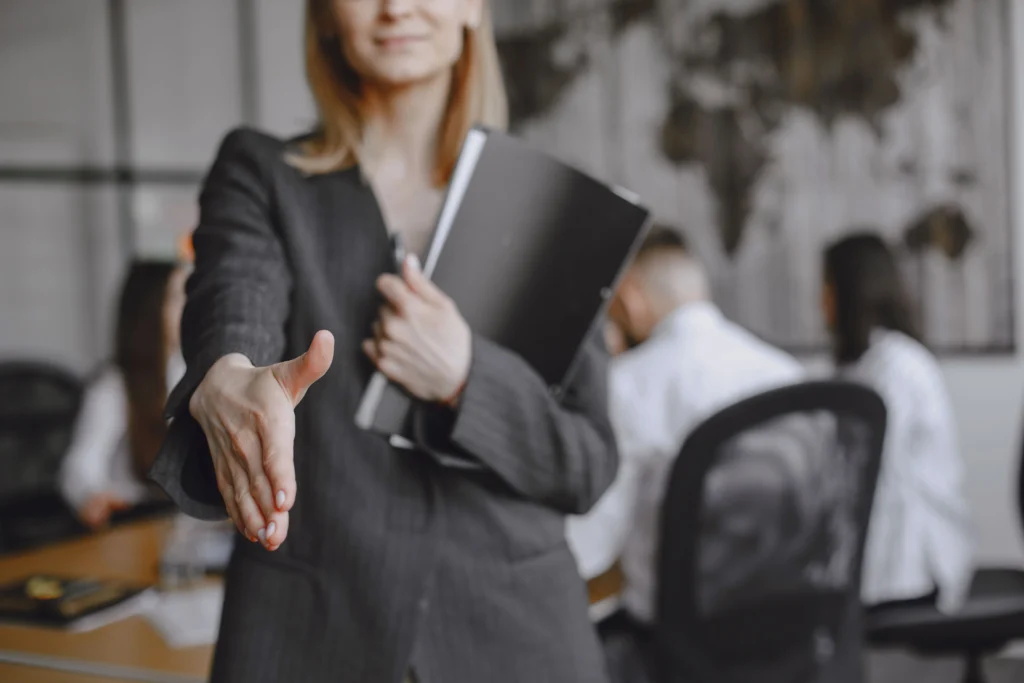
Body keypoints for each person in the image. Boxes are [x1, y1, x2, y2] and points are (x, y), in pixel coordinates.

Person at [149, 2, 617, 683]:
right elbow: (236, 292)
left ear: (471, 9)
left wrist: (466, 376)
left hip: (518, 638)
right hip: (313, 633)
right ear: (326, 16)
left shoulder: (553, 204)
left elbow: (587, 461)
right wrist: (227, 370)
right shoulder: (264, 173)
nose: (396, 6)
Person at [565, 226, 803, 653]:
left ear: (629, 298)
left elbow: (589, 550)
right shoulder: (785, 373)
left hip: (672, 642)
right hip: (788, 627)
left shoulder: (630, 385)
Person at [822, 233, 973, 613]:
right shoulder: (865, 365)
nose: (819, 301)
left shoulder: (897, 367)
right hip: (886, 550)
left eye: (825, 286)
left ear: (848, 291)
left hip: (912, 561)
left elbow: (866, 472)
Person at [59, 260, 188, 530]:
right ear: (150, 310)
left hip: (181, 524)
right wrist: (91, 495)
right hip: (134, 524)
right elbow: (80, 466)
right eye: (177, 299)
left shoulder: (187, 373)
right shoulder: (114, 386)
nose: (188, 307)